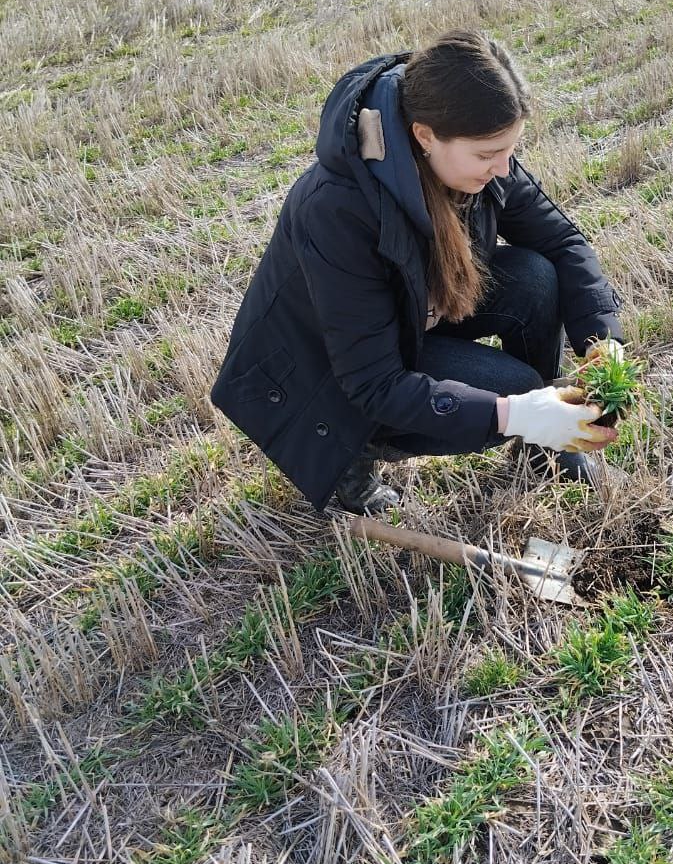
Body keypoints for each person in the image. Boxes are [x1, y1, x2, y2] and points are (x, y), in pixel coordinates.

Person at [210, 29, 627, 516]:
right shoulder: (338, 209)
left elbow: (562, 241)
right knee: (513, 388)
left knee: (535, 276)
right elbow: (371, 381)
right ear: (425, 135)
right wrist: (513, 413)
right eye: (488, 154)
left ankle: (545, 438)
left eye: (509, 150)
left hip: (414, 316)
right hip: (334, 377)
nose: (504, 168)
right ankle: (355, 454)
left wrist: (603, 340)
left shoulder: (476, 154)